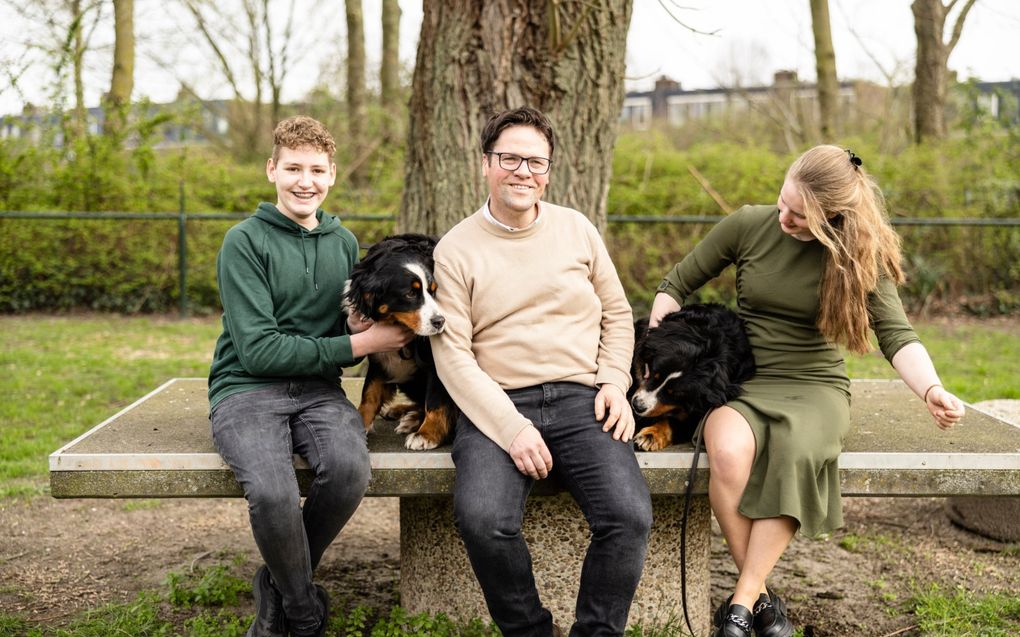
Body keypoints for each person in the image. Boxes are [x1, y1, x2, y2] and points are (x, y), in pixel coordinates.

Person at [649, 145, 965, 637]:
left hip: (815, 386)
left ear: (833, 218)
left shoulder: (860, 256)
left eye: (799, 216)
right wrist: (662, 346)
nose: (784, 218)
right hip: (745, 380)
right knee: (727, 451)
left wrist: (931, 389)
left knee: (795, 451)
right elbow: (675, 285)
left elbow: (897, 334)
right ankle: (763, 602)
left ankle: (738, 606)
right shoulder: (748, 224)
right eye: (783, 202)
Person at [430, 106, 653, 637]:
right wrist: (512, 428)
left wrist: (614, 384)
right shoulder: (456, 249)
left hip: (584, 399)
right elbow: (453, 356)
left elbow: (619, 315)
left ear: (548, 171)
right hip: (496, 405)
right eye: (509, 158)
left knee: (628, 517)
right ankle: (530, 631)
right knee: (484, 520)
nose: (522, 171)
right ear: (486, 164)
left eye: (535, 161)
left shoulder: (576, 229)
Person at [207, 115, 413, 637]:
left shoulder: (344, 242)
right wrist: (361, 343)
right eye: (293, 168)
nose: (306, 181)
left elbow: (339, 341)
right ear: (271, 169)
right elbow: (257, 351)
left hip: (319, 391)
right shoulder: (243, 242)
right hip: (247, 389)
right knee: (273, 493)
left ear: (332, 175)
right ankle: (301, 611)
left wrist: (353, 325)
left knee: (348, 471)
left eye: (317, 170)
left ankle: (276, 585)